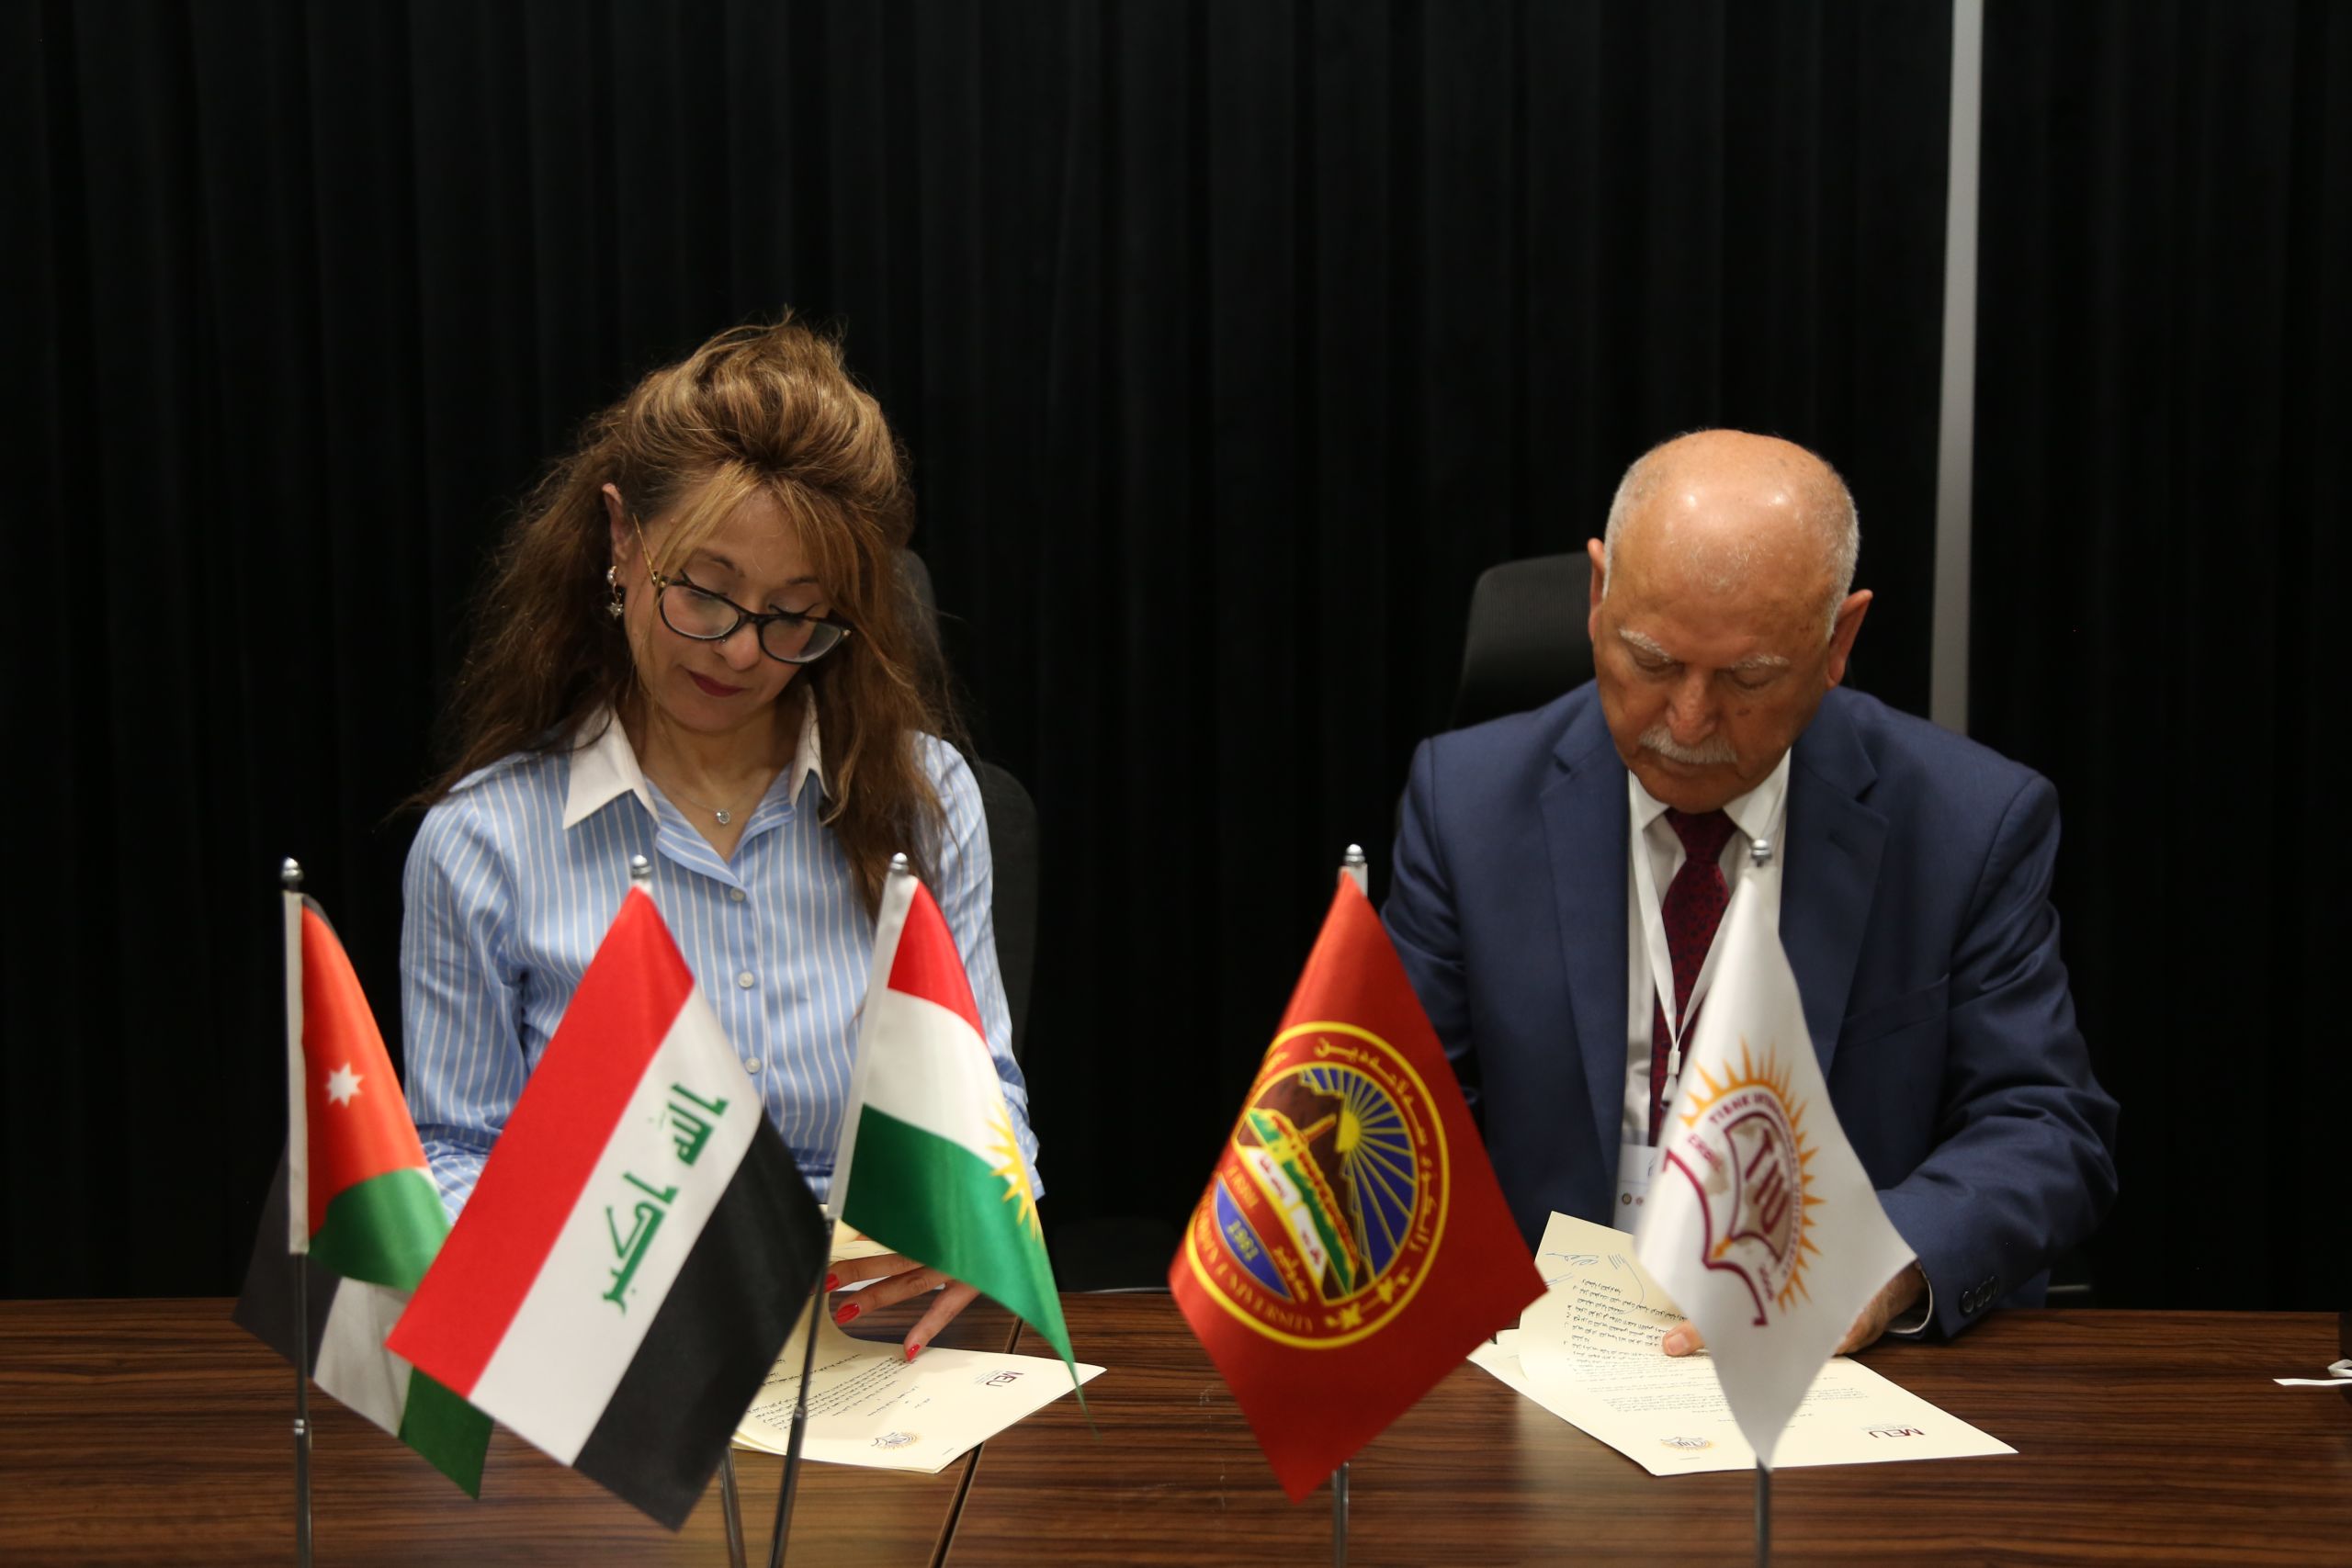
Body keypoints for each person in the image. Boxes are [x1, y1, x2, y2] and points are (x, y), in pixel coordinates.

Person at [1384, 428, 2118, 1349]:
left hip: (1815, 1361)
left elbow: (2045, 1126)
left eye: (1748, 677)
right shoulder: (1466, 803)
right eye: (1653, 662)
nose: (1688, 721)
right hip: (1542, 1347)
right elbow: (1393, 1116)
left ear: (1838, 640)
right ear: (1597, 597)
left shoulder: (1968, 825)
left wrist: (1880, 1263)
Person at [401, 317, 1035, 1356]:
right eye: (704, 591)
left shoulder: (926, 803)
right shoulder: (484, 843)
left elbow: (983, 1094)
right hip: (609, 1336)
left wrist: (971, 1207)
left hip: (868, 1328)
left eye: (794, 614)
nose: (741, 650)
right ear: (621, 537)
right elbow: (456, 1151)